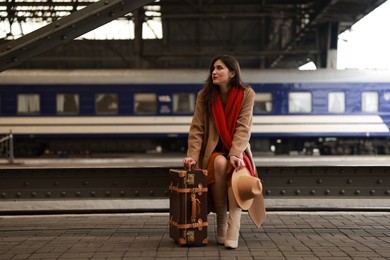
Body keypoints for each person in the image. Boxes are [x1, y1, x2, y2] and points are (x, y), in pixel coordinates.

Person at [183, 55, 259, 249]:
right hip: (214, 151)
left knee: (233, 166)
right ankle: (221, 221)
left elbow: (244, 127)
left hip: (237, 150)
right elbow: (197, 129)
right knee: (219, 162)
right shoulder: (205, 96)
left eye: (219, 68)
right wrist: (192, 156)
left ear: (232, 73)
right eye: (213, 69)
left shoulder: (247, 94)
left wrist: (235, 153)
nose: (214, 72)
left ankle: (234, 224)